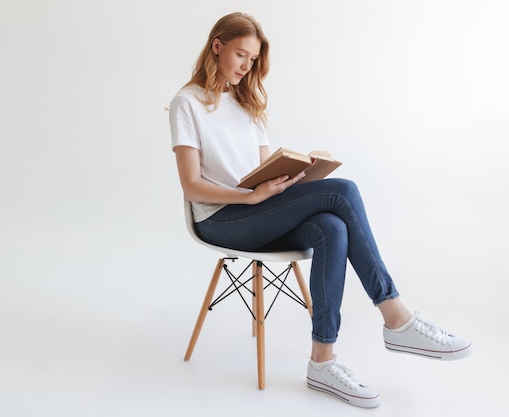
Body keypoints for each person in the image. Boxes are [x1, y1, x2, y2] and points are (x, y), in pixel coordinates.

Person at [168, 12, 472, 408]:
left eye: (253, 59)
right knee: (344, 190)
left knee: (332, 226)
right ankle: (397, 318)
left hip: (257, 212)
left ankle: (322, 362)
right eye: (241, 54)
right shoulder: (186, 103)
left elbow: (259, 175)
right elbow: (191, 185)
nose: (246, 66)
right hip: (221, 219)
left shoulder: (248, 103)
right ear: (216, 46)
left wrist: (293, 177)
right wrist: (253, 198)